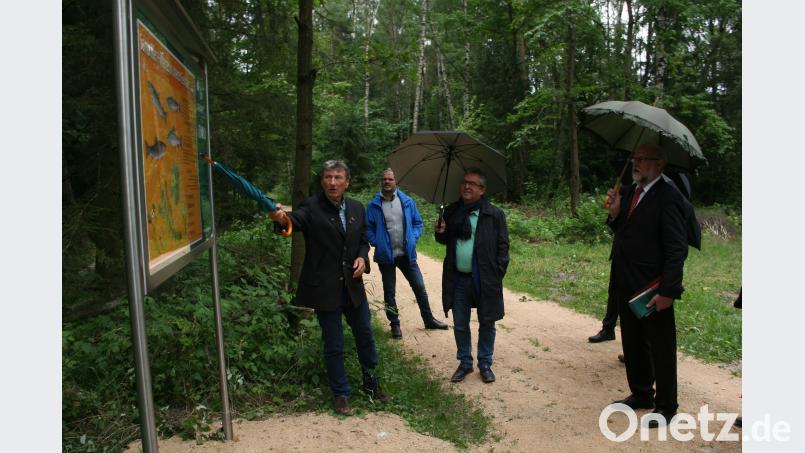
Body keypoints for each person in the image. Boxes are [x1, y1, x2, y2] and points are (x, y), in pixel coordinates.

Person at [268, 160, 390, 415]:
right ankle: (341, 393)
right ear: (322, 180)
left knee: (365, 337)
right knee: (334, 343)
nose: (332, 182)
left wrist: (361, 257)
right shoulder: (311, 207)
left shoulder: (357, 207)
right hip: (325, 287)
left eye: (337, 177)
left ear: (347, 182)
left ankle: (371, 384)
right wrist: (281, 219)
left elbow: (363, 240)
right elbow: (293, 223)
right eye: (327, 177)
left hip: (353, 288)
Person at [605, 144, 691, 428]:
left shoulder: (669, 197)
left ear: (660, 164)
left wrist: (668, 290)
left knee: (661, 346)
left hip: (653, 287)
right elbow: (626, 233)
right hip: (626, 280)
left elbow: (677, 247)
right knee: (632, 341)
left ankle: (667, 406)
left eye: (643, 159)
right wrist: (616, 213)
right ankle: (642, 393)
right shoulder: (630, 192)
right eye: (635, 158)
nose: (636, 163)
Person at [435, 168, 509, 384]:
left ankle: (485, 363)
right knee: (460, 323)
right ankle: (465, 363)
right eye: (464, 182)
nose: (467, 186)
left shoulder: (493, 214)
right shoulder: (451, 212)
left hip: (485, 278)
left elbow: (503, 246)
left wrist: (497, 272)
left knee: (487, 321)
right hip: (458, 277)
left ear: (482, 190)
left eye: (472, 184)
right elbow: (444, 240)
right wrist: (440, 232)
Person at [366, 169, 448, 338]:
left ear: (396, 181)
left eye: (390, 179)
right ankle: (395, 325)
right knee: (389, 292)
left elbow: (418, 223)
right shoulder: (374, 205)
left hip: (406, 254)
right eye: (384, 179)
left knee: (419, 287)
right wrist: (377, 242)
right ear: (381, 182)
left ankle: (429, 319)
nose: (387, 181)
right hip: (386, 257)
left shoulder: (407, 202)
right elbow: (368, 227)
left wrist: (413, 237)